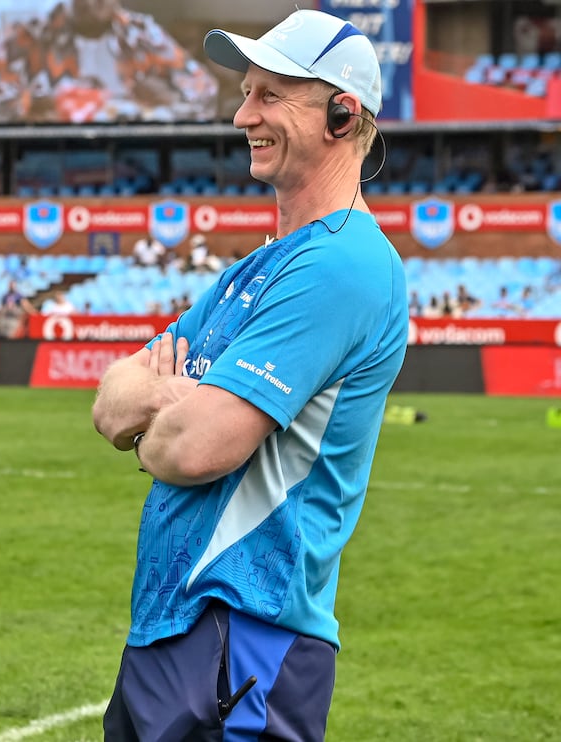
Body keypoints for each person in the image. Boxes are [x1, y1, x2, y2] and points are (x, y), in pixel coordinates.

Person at [92, 10, 408, 740]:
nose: (243, 116)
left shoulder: (342, 264)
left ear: (341, 114)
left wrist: (158, 424)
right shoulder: (256, 269)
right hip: (176, 626)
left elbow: (191, 449)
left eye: (269, 95)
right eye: (245, 94)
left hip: (248, 635)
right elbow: (111, 402)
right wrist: (168, 401)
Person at [0, 0, 219, 124]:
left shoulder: (142, 33)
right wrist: (29, 104)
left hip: (135, 146)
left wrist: (170, 98)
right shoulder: (33, 33)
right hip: (50, 149)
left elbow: (204, 88)